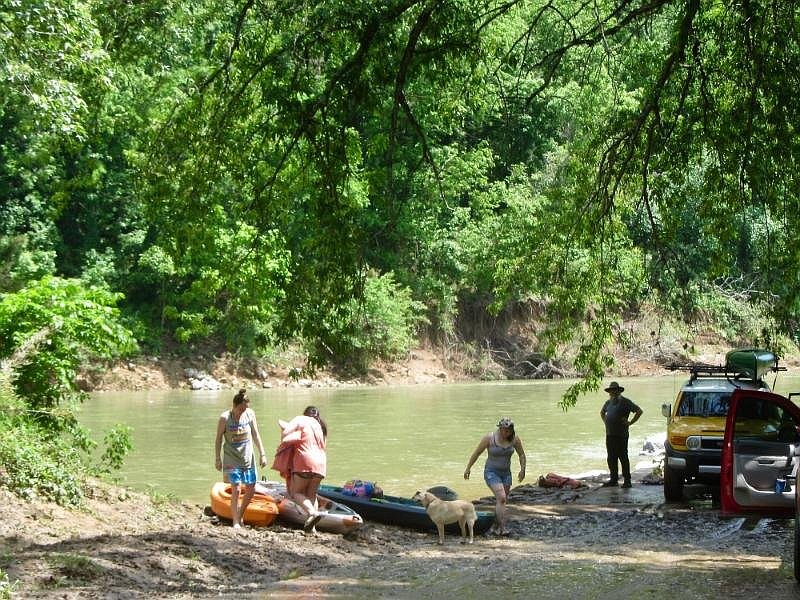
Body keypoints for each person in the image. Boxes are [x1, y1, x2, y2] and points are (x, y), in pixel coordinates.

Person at [214, 389, 268, 529]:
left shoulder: (249, 414)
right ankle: (235, 521)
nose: (242, 412)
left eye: (245, 409)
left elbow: (256, 434)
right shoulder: (225, 418)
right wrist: (217, 458)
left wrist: (262, 453)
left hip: (247, 457)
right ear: (234, 405)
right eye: (240, 409)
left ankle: (240, 514)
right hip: (231, 457)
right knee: (236, 488)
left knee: (251, 488)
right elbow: (219, 439)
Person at [463, 417, 526, 535]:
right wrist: (468, 468)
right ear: (499, 428)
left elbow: (521, 454)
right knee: (502, 497)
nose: (504, 433)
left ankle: (495, 526)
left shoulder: (515, 440)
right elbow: (476, 453)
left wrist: (523, 469)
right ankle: (503, 529)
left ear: (511, 430)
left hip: (506, 474)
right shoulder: (489, 438)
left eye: (507, 431)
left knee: (501, 501)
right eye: (502, 430)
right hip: (491, 472)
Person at [272, 406, 327, 532]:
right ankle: (312, 528)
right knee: (311, 495)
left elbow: (286, 434)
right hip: (321, 463)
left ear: (304, 414)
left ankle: (313, 513)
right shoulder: (319, 426)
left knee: (296, 492)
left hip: (305, 461)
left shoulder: (300, 419)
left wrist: (284, 430)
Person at [599, 381, 643, 488]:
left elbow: (639, 411)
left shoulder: (625, 402)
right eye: (611, 391)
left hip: (621, 435)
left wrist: (630, 423)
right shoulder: (608, 403)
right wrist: (606, 422)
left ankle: (627, 481)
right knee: (611, 458)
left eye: (615, 390)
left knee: (623, 457)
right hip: (610, 434)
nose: (613, 393)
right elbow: (602, 413)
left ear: (619, 391)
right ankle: (613, 480)